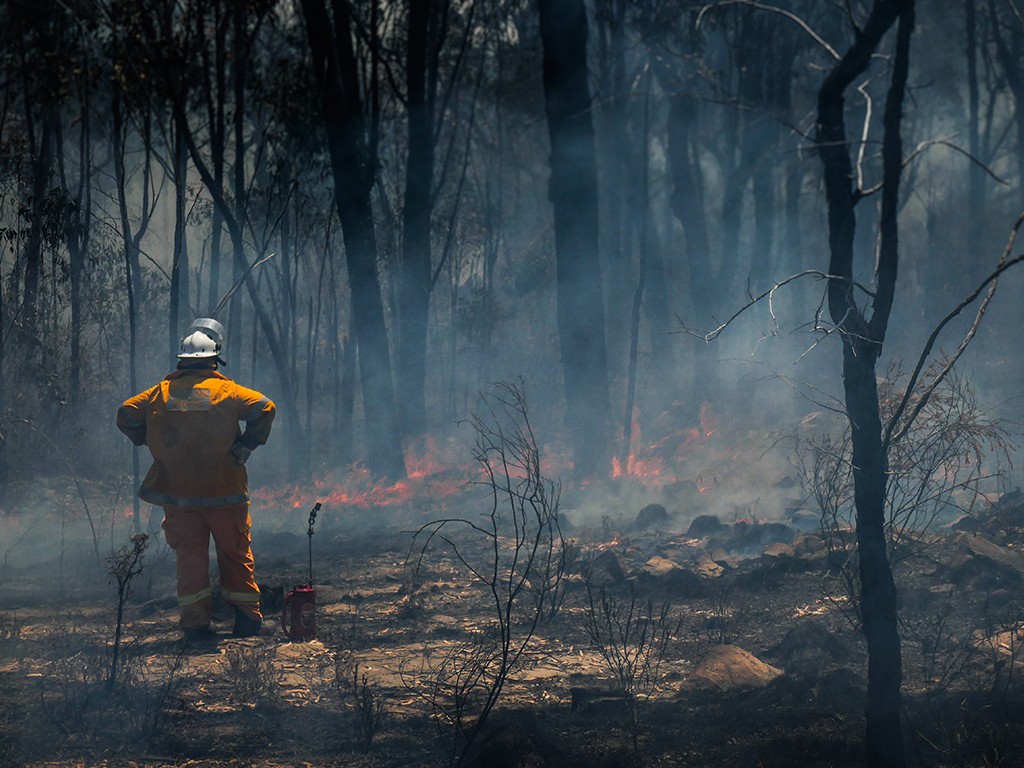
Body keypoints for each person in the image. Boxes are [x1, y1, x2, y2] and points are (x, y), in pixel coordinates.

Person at [117, 318, 276, 643]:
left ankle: (194, 626)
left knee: (190, 561)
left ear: (181, 361)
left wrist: (151, 440)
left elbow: (125, 414)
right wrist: (245, 446)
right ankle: (246, 623)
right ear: (214, 360)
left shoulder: (160, 394)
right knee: (235, 555)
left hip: (180, 498)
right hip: (225, 494)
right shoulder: (228, 392)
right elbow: (265, 407)